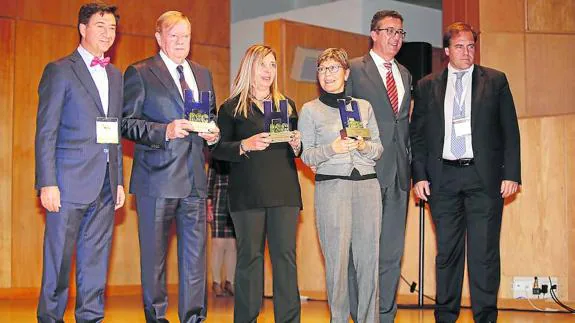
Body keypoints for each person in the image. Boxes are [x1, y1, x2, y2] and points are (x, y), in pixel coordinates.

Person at [410, 22, 521, 323]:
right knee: (447, 253)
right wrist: (419, 175)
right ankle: (445, 316)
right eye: (459, 46)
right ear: (446, 51)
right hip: (442, 179)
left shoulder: (495, 81)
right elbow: (417, 136)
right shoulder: (425, 86)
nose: (467, 52)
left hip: (483, 179)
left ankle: (485, 317)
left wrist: (511, 174)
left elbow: (510, 130)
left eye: (471, 45)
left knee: (484, 255)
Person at [121, 10, 219, 323]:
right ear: (159, 38)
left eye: (185, 36)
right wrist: (165, 130)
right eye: (173, 35)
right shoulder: (140, 72)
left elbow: (210, 115)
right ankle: (157, 318)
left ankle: (193, 317)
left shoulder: (202, 73)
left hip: (193, 179)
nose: (180, 42)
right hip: (156, 180)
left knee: (195, 259)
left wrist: (213, 133)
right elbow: (126, 123)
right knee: (154, 260)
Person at [35, 3, 124, 322]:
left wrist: (118, 181)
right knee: (58, 264)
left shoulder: (115, 75)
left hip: (103, 185)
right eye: (100, 26)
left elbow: (113, 129)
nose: (107, 33)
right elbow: (46, 130)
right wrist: (47, 182)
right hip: (67, 184)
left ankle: (90, 317)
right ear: (82, 28)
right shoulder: (60, 70)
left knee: (95, 264)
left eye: (112, 28)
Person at [211, 44, 302, 323]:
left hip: (284, 191)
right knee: (249, 260)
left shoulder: (286, 105)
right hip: (247, 194)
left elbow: (298, 149)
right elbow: (216, 150)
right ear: (249, 67)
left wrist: (298, 144)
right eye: (263, 64)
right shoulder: (230, 108)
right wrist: (243, 145)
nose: (268, 71)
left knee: (284, 260)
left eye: (273, 65)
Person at [299, 48, 383, 323]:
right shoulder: (310, 110)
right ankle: (338, 319)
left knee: (368, 262)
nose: (327, 74)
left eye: (333, 68)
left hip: (367, 188)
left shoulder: (364, 107)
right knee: (336, 264)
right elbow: (306, 154)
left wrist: (362, 144)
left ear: (346, 73)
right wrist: (332, 148)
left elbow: (378, 150)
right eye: (322, 69)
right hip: (332, 189)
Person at [345, 10, 412, 322]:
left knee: (390, 254)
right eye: (389, 31)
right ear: (373, 34)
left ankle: (385, 315)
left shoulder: (406, 75)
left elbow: (403, 126)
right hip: (366, 171)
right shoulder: (355, 70)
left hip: (399, 174)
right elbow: (346, 116)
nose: (395, 37)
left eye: (400, 32)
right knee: (360, 253)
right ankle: (360, 316)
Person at [206, 158, 236, 297]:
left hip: (236, 197)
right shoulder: (217, 151)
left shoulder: (242, 147)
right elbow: (210, 179)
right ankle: (216, 282)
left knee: (232, 243)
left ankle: (230, 282)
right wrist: (208, 203)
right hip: (219, 196)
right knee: (218, 242)